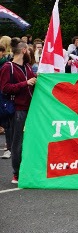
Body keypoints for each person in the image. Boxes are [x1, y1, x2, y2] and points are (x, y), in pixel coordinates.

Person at [0, 38, 37, 184]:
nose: (28, 52)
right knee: (17, 142)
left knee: (29, 140)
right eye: (27, 49)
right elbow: (5, 88)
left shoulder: (27, 66)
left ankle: (27, 169)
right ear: (23, 50)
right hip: (16, 109)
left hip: (29, 107)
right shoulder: (7, 67)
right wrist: (25, 83)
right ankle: (17, 173)